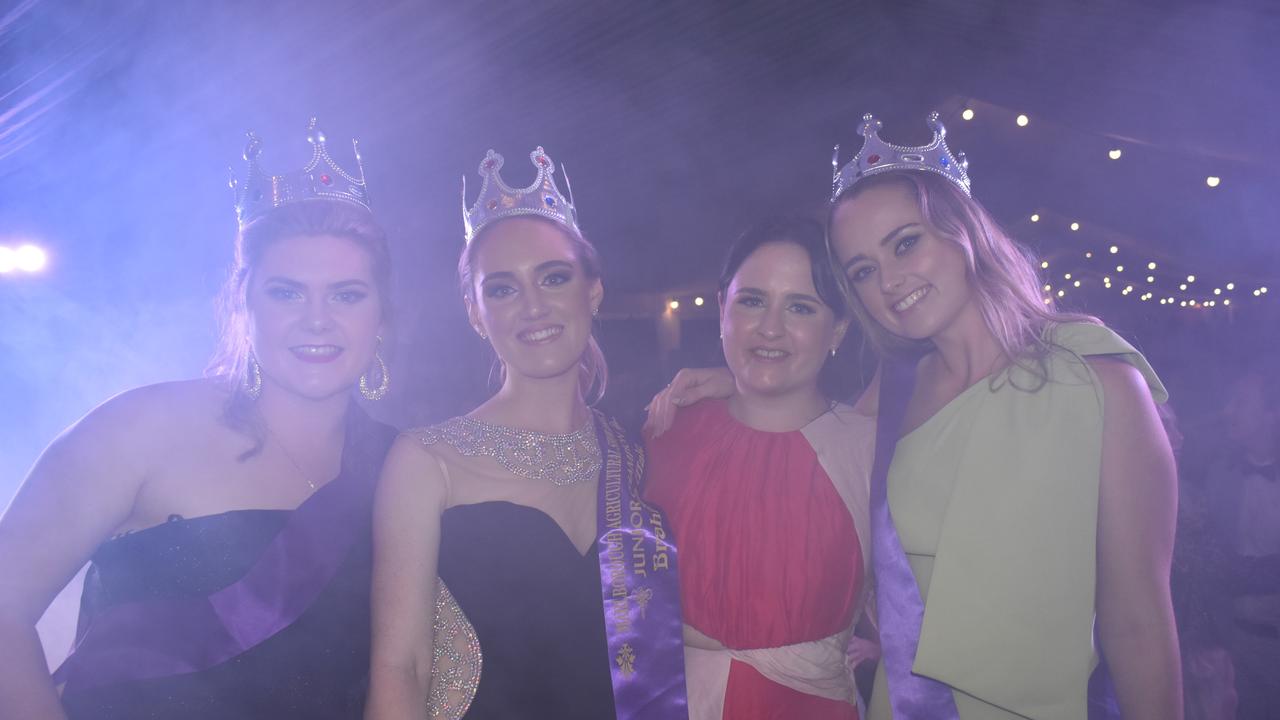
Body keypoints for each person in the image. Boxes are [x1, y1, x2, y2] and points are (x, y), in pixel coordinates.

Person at [652, 112, 1182, 720]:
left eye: (906, 243)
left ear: (964, 231)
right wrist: (744, 382)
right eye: (863, 271)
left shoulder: (1099, 381)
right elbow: (818, 447)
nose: (890, 281)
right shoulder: (893, 394)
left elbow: (1139, 625)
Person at [0, 120, 398, 720]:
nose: (318, 320)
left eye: (346, 294)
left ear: (381, 316)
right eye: (287, 293)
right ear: (244, 303)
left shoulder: (406, 467)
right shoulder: (143, 428)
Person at [365, 147, 686, 720]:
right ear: (474, 312)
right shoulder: (425, 461)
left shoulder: (635, 456)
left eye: (554, 278)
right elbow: (401, 668)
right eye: (503, 289)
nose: (533, 307)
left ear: (592, 292)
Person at [643, 217, 874, 719]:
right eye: (751, 300)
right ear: (723, 306)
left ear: (837, 327)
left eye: (800, 306)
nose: (770, 327)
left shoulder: (869, 453)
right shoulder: (664, 433)